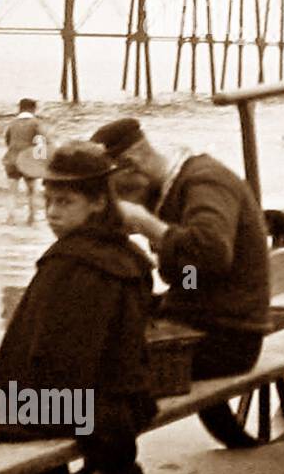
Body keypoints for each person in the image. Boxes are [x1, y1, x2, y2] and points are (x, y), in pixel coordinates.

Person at [0, 142, 157, 474]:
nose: (51, 212)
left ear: (98, 202)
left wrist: (10, 400)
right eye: (48, 201)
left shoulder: (70, 263)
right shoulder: (128, 255)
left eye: (65, 202)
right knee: (14, 402)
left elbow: (51, 362)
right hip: (126, 405)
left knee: (8, 408)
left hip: (86, 409)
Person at [91, 118, 272, 379]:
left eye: (117, 193)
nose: (116, 202)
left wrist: (147, 224)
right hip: (202, 320)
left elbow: (213, 253)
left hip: (230, 339)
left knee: (101, 370)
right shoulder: (174, 188)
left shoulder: (205, 181)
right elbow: (192, 279)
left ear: (132, 165)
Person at [2, 98, 46, 225]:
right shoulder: (36, 123)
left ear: (20, 108)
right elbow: (40, 143)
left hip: (11, 160)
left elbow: (8, 141)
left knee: (12, 192)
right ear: (33, 109)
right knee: (32, 191)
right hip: (28, 162)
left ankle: (11, 218)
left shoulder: (12, 123)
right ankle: (32, 218)